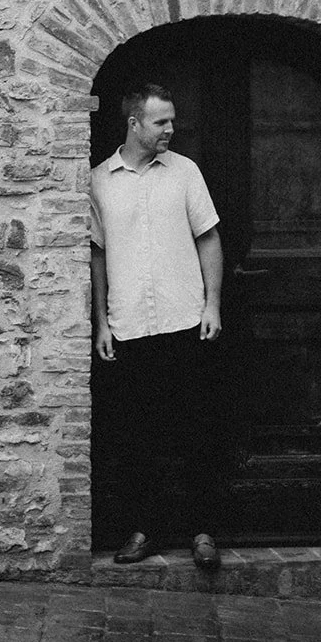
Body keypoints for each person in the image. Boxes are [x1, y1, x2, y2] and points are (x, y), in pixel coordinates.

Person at [90, 83, 227, 569]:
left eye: (172, 121)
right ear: (133, 123)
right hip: (128, 327)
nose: (171, 129)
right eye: (160, 122)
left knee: (195, 432)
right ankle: (142, 530)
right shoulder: (99, 181)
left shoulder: (185, 172)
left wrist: (212, 304)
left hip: (185, 321)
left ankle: (202, 531)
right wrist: (101, 321)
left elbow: (208, 239)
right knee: (136, 438)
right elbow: (98, 256)